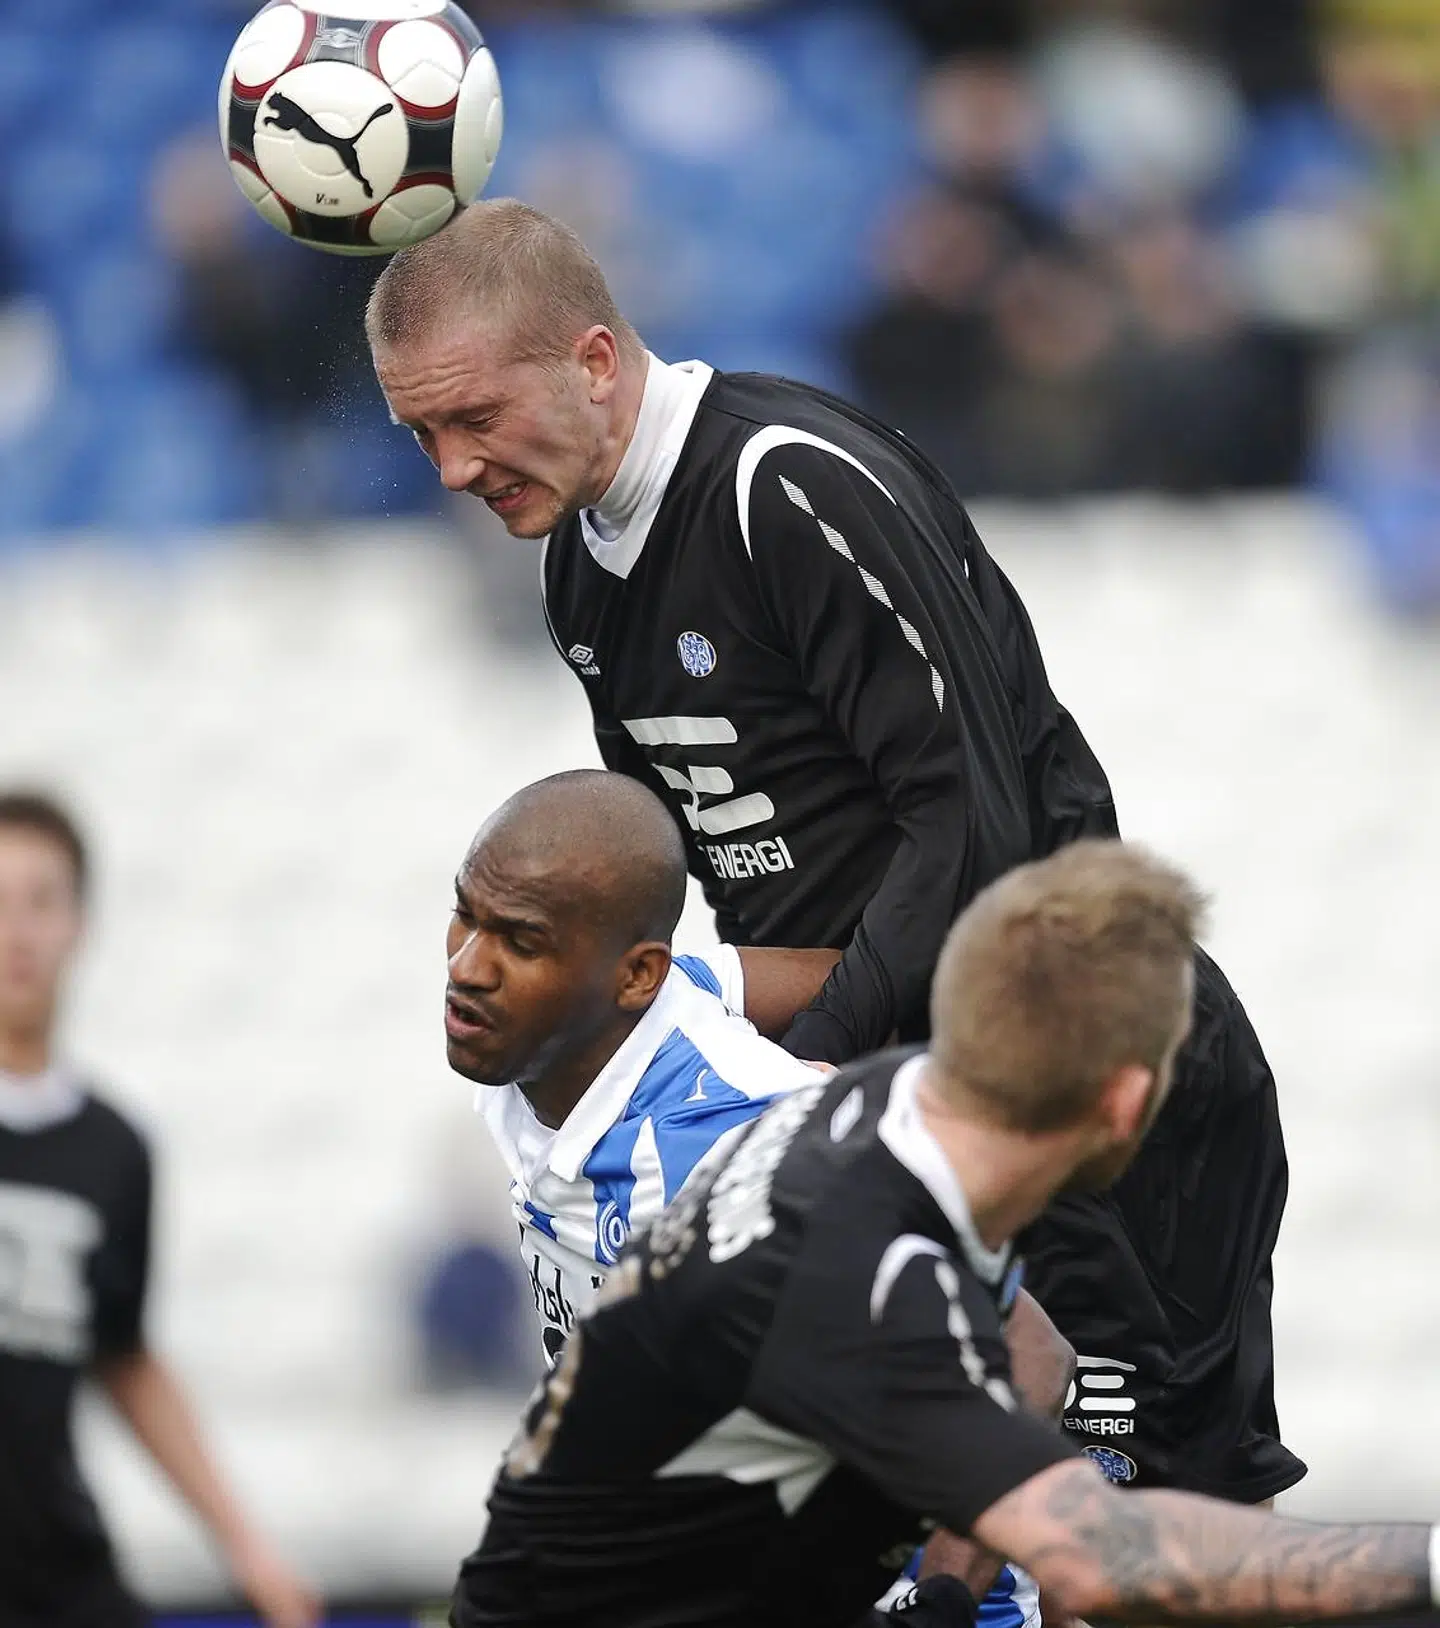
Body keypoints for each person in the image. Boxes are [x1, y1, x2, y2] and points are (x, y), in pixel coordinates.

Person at [366, 199, 1303, 1511]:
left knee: (1128, 1555)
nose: (451, 471)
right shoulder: (582, 564)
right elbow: (709, 887)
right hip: (909, 1106)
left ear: (591, 361)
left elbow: (978, 837)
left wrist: (794, 1087)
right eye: (422, 436)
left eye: (474, 421)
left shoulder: (784, 485)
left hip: (1080, 1084)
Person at [451, 841, 1436, 1628]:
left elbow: (1036, 1353)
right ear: (1135, 1103)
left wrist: (948, 1596)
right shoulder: (857, 1279)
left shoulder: (872, 1113)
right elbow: (1108, 1560)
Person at [443, 769, 1074, 1627]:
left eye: (519, 941)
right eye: (466, 916)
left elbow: (1033, 1357)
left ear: (633, 975)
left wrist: (945, 1602)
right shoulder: (615, 1013)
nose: (467, 966)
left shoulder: (726, 1148)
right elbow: (847, 982)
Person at [0, 791, 318, 1628]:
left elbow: (124, 1357)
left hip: (51, 1575)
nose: (18, 932)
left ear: (80, 923)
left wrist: (251, 1552)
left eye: (41, 900)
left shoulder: (111, 1151)